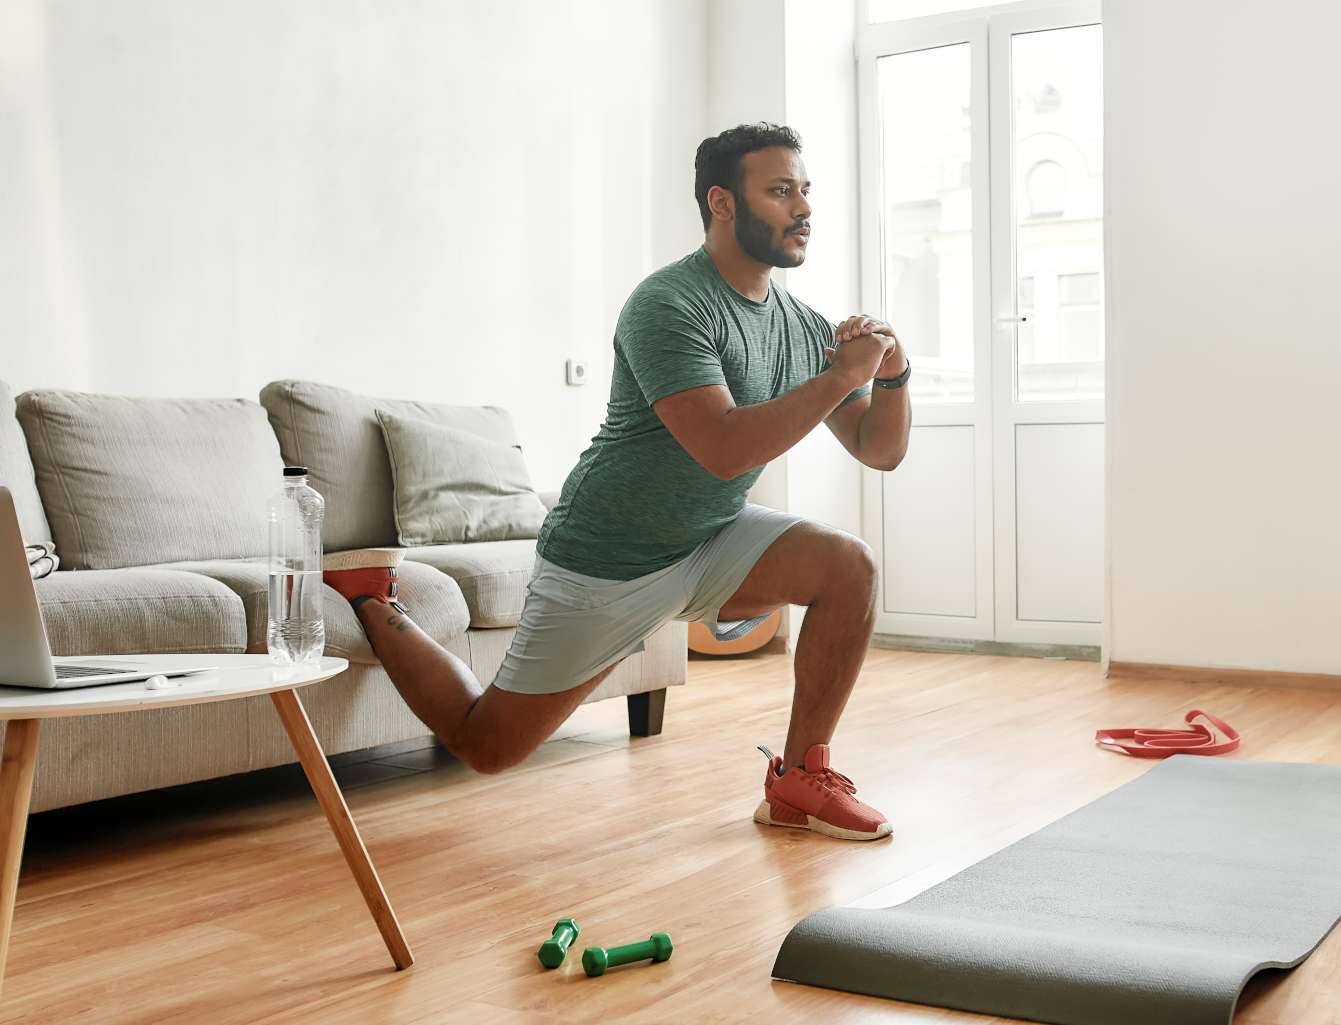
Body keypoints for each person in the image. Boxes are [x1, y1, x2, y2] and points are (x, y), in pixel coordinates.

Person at [325, 123, 912, 840]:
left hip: (710, 537)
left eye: (806, 191)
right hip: (607, 556)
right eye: (781, 190)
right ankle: (376, 604)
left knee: (849, 566)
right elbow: (721, 450)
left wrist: (892, 377)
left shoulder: (800, 326)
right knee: (486, 745)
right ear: (722, 203)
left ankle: (798, 782)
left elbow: (878, 450)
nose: (803, 209)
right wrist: (839, 375)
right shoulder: (668, 304)